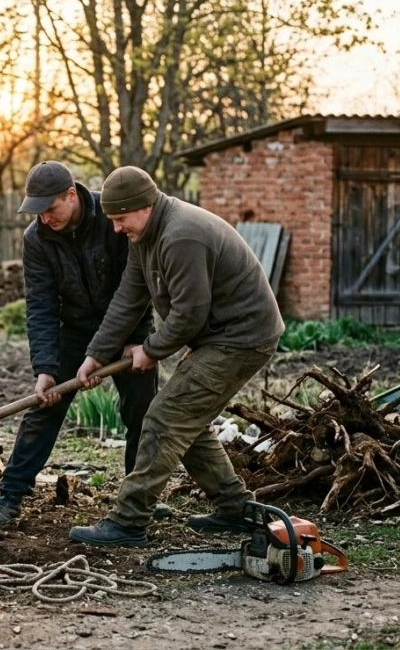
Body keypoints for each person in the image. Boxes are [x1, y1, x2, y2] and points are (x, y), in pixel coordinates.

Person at [69, 166, 284, 546]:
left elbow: (190, 313)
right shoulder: (145, 236)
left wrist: (151, 351)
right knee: (187, 418)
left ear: (145, 205)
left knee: (165, 418)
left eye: (120, 219)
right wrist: (96, 355)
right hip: (217, 337)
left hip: (241, 338)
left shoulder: (181, 235)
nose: (116, 229)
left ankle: (129, 521)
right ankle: (235, 509)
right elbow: (128, 298)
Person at [0, 161, 162, 527]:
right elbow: (41, 306)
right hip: (74, 329)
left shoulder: (112, 220)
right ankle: (11, 495)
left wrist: (135, 340)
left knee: (142, 411)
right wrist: (45, 368)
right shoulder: (37, 239)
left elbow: (137, 286)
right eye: (38, 212)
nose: (45, 218)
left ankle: (137, 499)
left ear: (71, 195)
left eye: (50, 209)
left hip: (126, 327)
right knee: (44, 408)